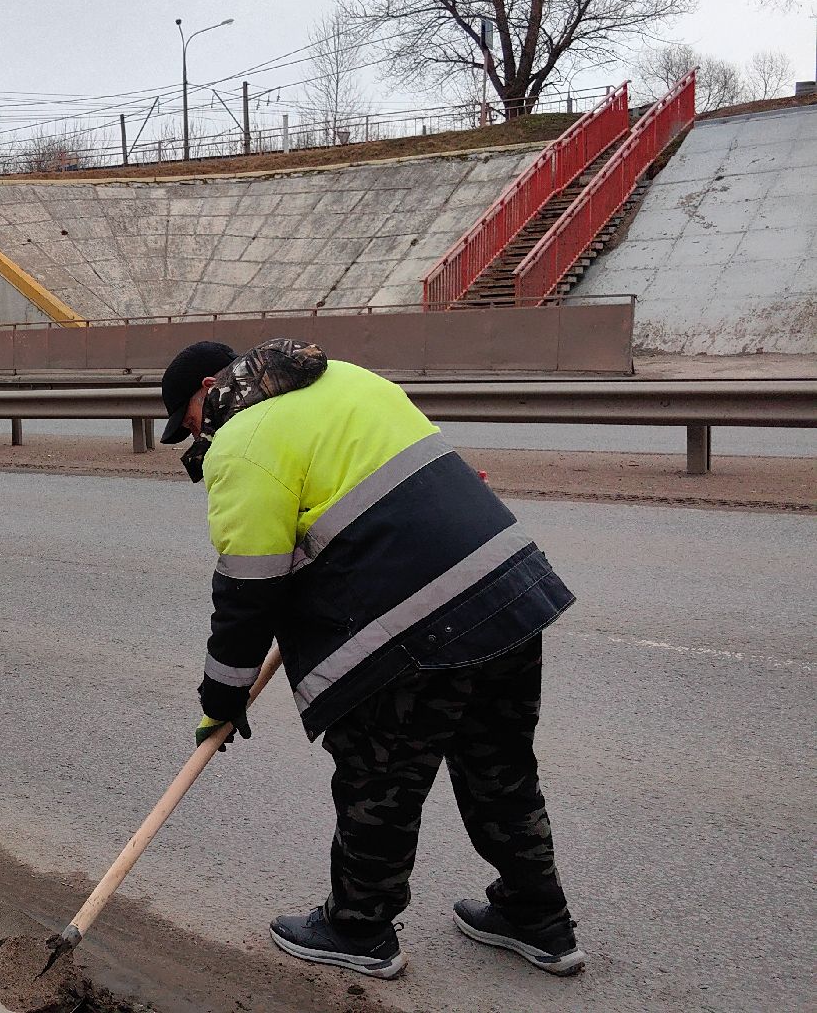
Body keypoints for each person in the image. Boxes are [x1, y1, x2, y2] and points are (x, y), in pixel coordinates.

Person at [159, 338, 582, 980]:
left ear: (211, 387)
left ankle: (359, 929)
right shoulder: (350, 380)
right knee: (499, 766)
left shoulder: (243, 440)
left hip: (419, 625)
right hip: (506, 593)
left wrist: (220, 698)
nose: (195, 436)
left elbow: (247, 592)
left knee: (378, 777)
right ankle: (538, 916)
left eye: (188, 420)